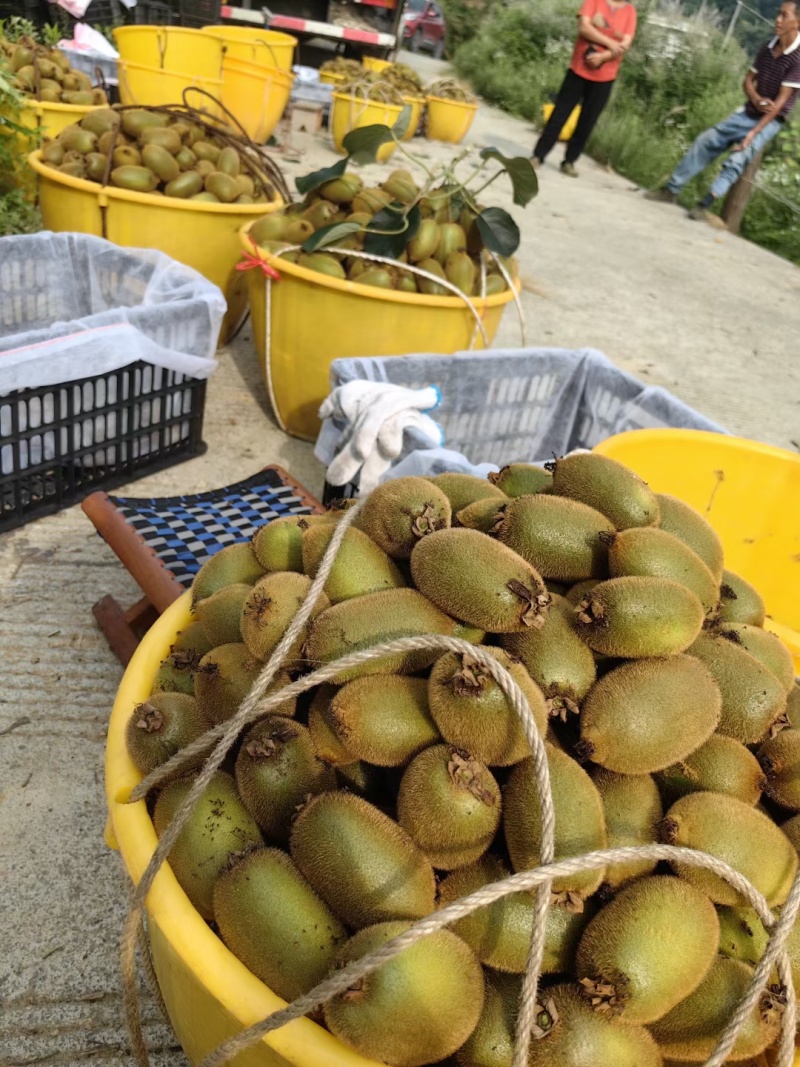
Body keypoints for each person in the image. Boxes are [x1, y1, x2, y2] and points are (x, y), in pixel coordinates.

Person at [646, 1, 800, 219]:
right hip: (750, 110)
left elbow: (781, 103)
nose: (778, 19)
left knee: (738, 158)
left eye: (784, 16)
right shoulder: (767, 47)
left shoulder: (797, 58)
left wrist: (753, 133)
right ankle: (671, 190)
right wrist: (756, 99)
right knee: (706, 140)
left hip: (770, 121)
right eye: (778, 14)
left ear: (798, 22)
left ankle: (705, 204)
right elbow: (748, 81)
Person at [532, 0, 637, 177]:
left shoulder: (630, 12)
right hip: (579, 69)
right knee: (559, 115)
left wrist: (604, 56)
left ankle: (570, 161)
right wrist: (611, 43)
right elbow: (584, 28)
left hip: (605, 76)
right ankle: (538, 156)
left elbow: (625, 44)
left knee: (588, 121)